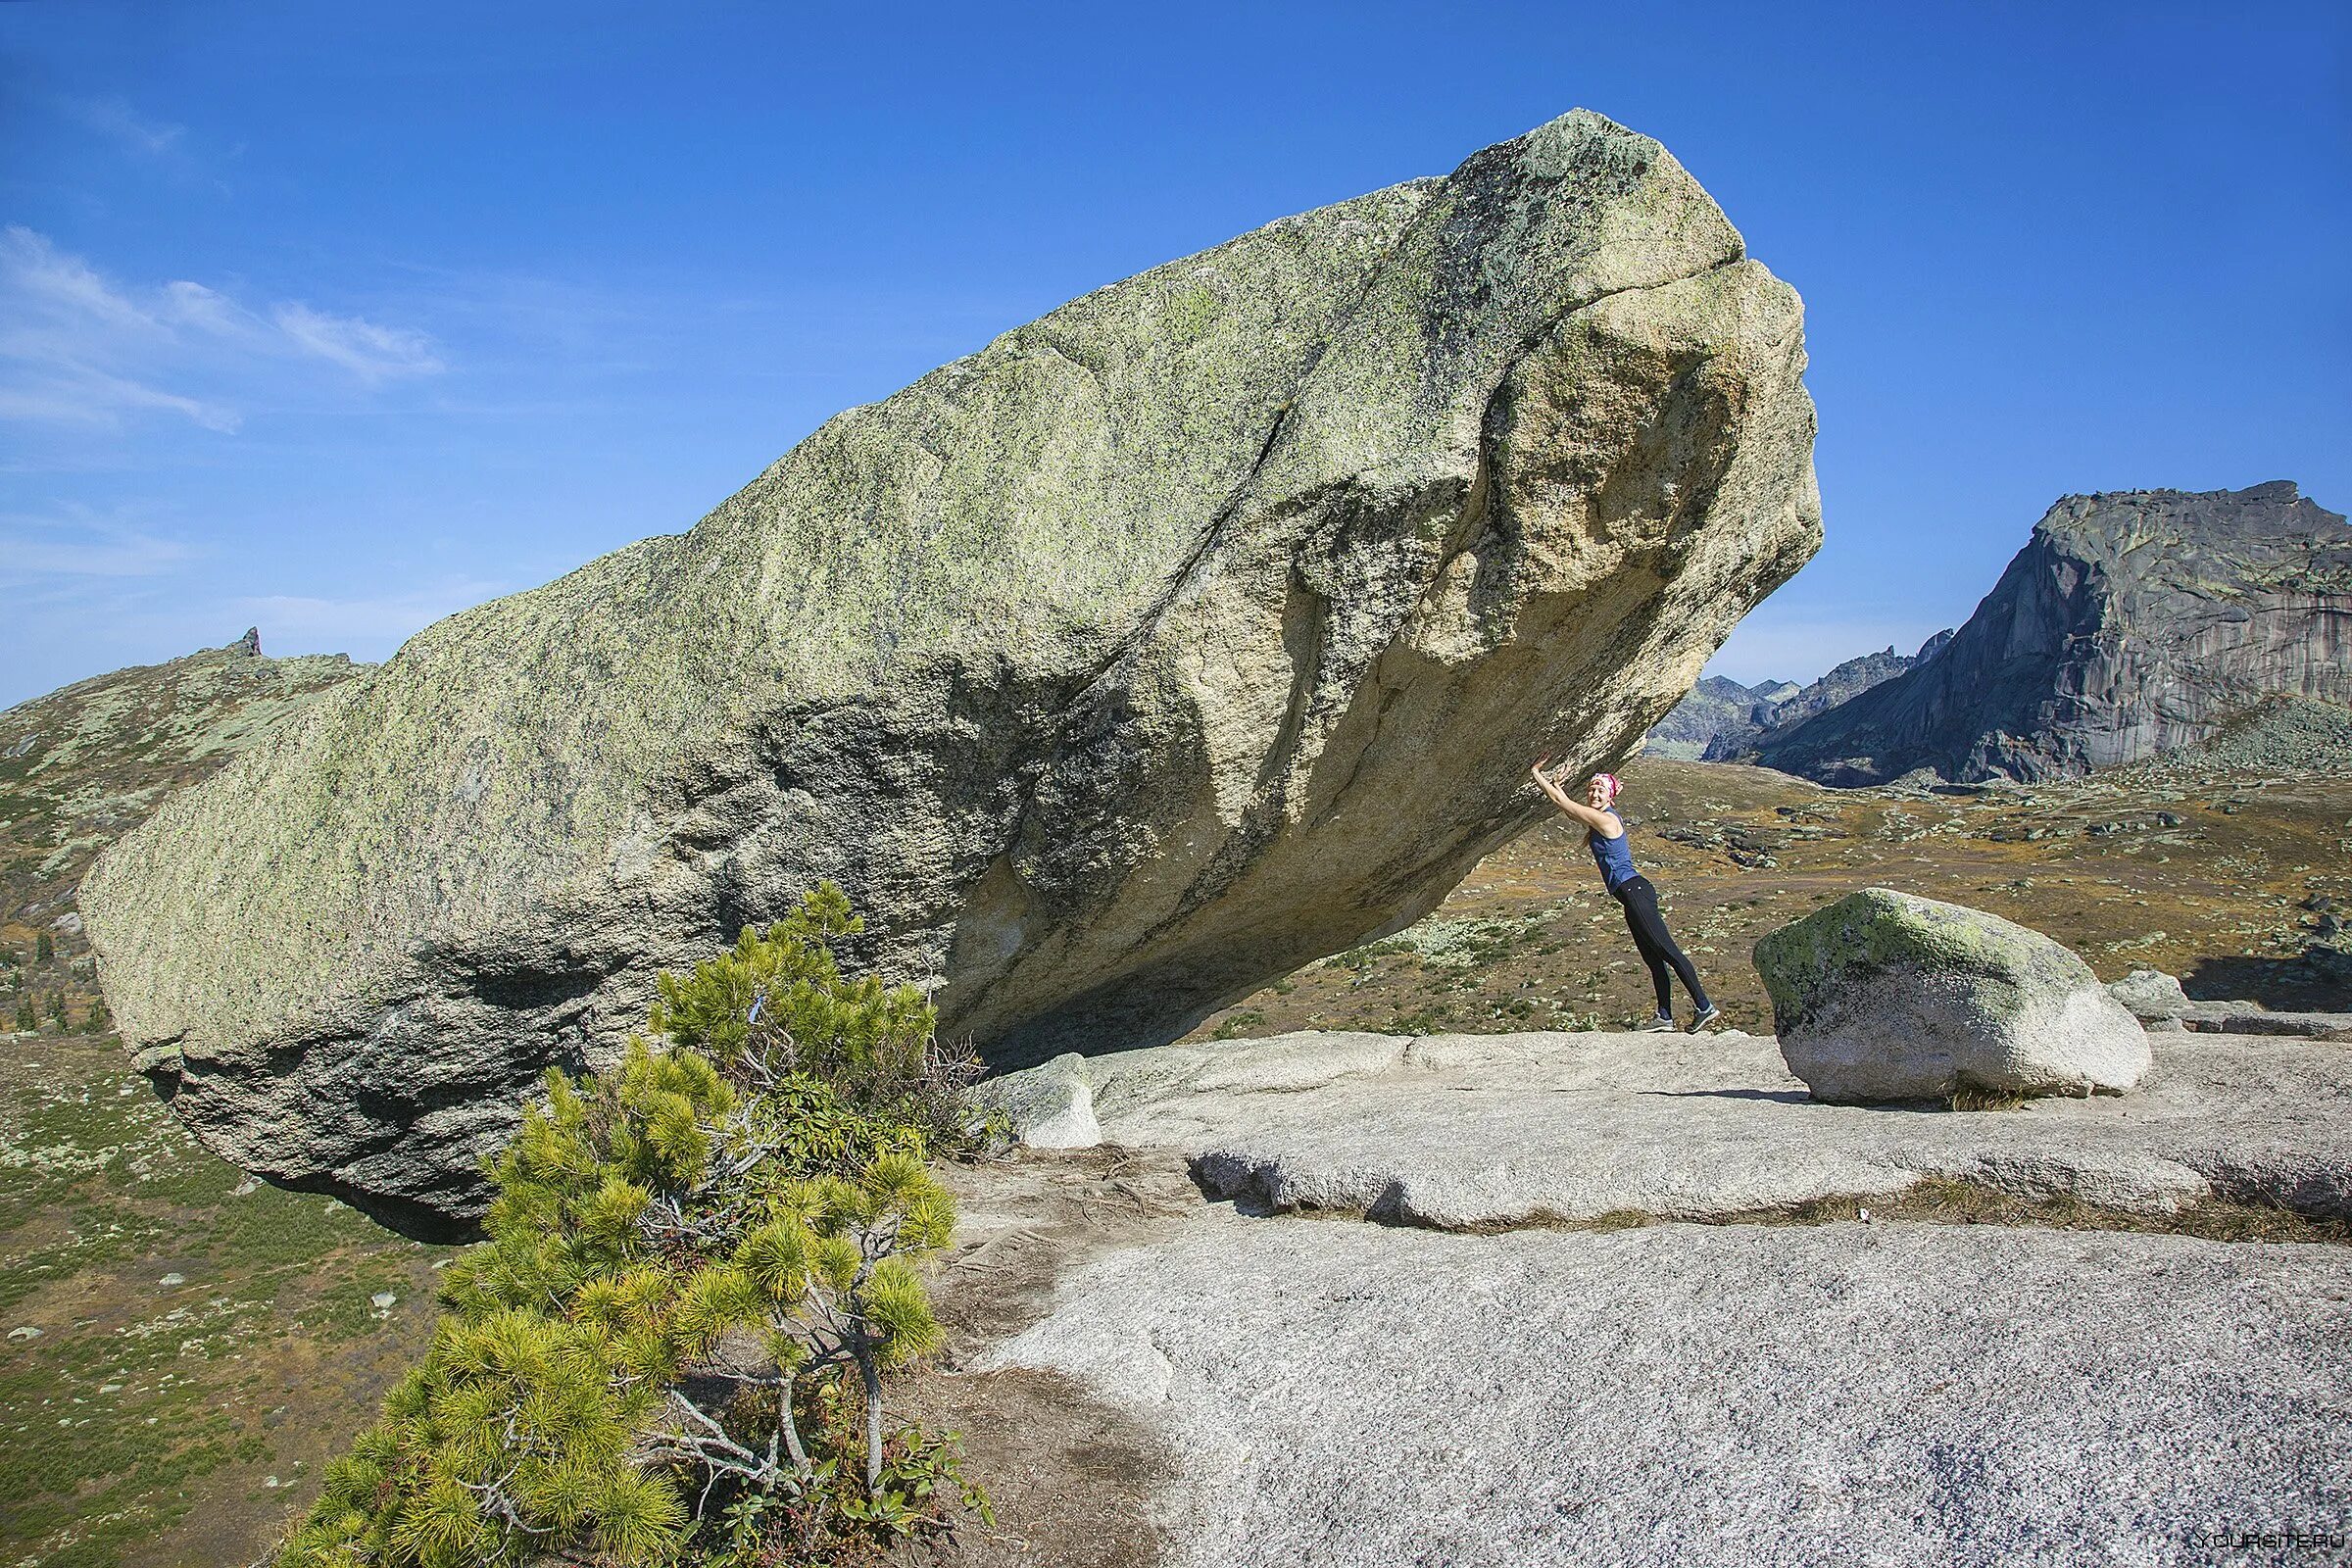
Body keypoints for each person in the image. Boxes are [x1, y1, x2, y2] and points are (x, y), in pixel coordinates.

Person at [1530, 758, 1720, 1033]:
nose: (1594, 794)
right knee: (1652, 958)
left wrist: (1536, 774)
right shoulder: (1601, 819)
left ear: (1611, 796)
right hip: (1631, 895)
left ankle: (1704, 1006)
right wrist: (1558, 784)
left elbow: (1564, 806)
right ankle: (1664, 1017)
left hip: (1635, 891)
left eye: (1600, 791)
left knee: (1667, 951)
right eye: (1592, 790)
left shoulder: (1606, 820)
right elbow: (1571, 812)